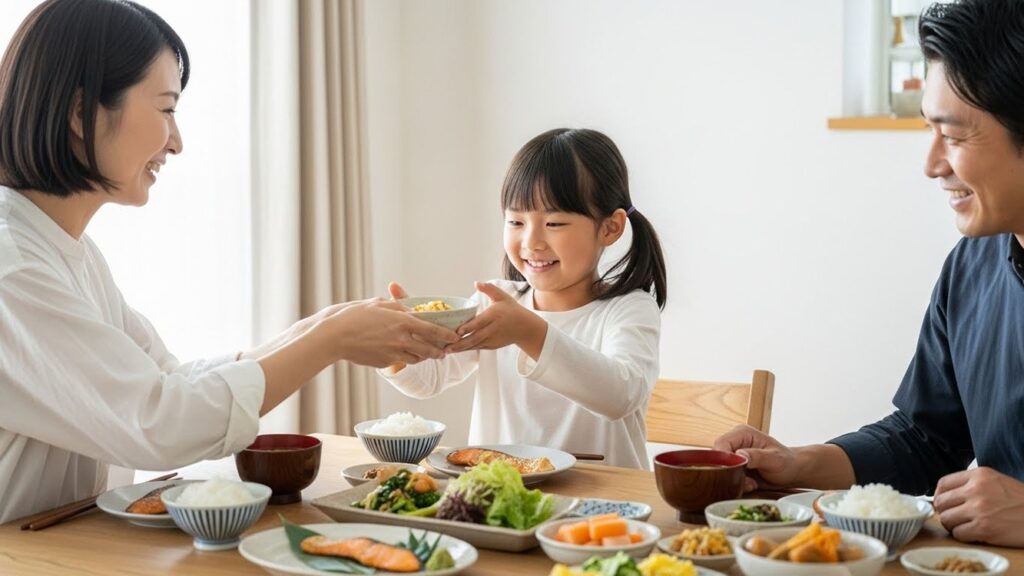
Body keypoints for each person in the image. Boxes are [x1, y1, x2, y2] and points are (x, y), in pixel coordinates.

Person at [0, 0, 458, 524]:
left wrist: (324, 326)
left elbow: (166, 380)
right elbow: (160, 423)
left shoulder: (64, 250)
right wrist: (329, 341)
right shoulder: (13, 267)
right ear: (81, 114)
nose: (177, 142)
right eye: (167, 109)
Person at [714, 0, 1024, 547]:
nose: (931, 164)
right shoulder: (971, 267)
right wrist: (796, 462)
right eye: (929, 130)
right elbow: (926, 439)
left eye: (952, 136)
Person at [381, 128, 667, 469]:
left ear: (610, 228)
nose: (531, 242)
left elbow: (620, 395)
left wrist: (529, 332)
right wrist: (397, 343)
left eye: (555, 223)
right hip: (501, 498)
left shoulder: (628, 310)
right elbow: (427, 381)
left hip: (603, 505)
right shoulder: (495, 301)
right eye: (516, 221)